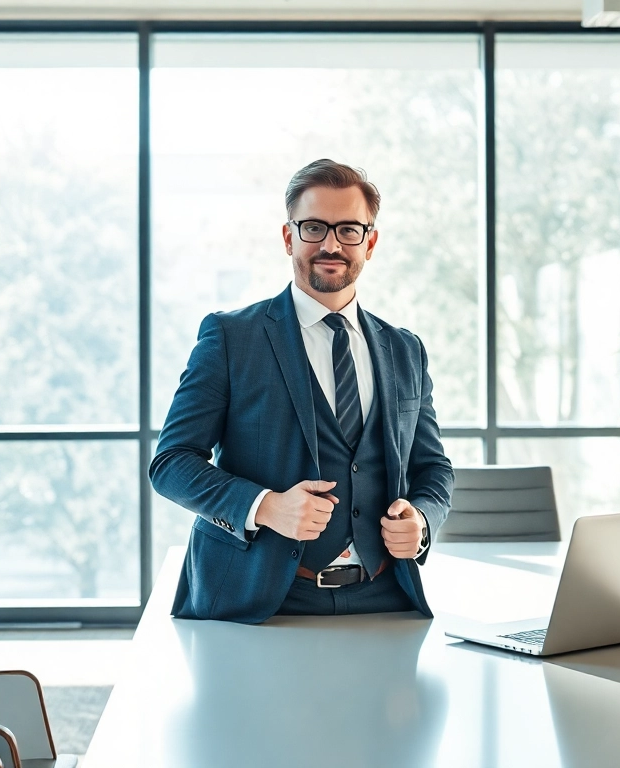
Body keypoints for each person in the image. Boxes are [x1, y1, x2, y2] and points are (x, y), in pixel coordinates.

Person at [150, 158, 454, 623]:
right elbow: (170, 463)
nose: (331, 244)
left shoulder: (405, 349)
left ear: (370, 243)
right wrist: (265, 506)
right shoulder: (231, 337)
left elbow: (432, 469)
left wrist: (423, 522)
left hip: (385, 597)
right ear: (289, 236)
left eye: (349, 229)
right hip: (258, 598)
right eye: (314, 227)